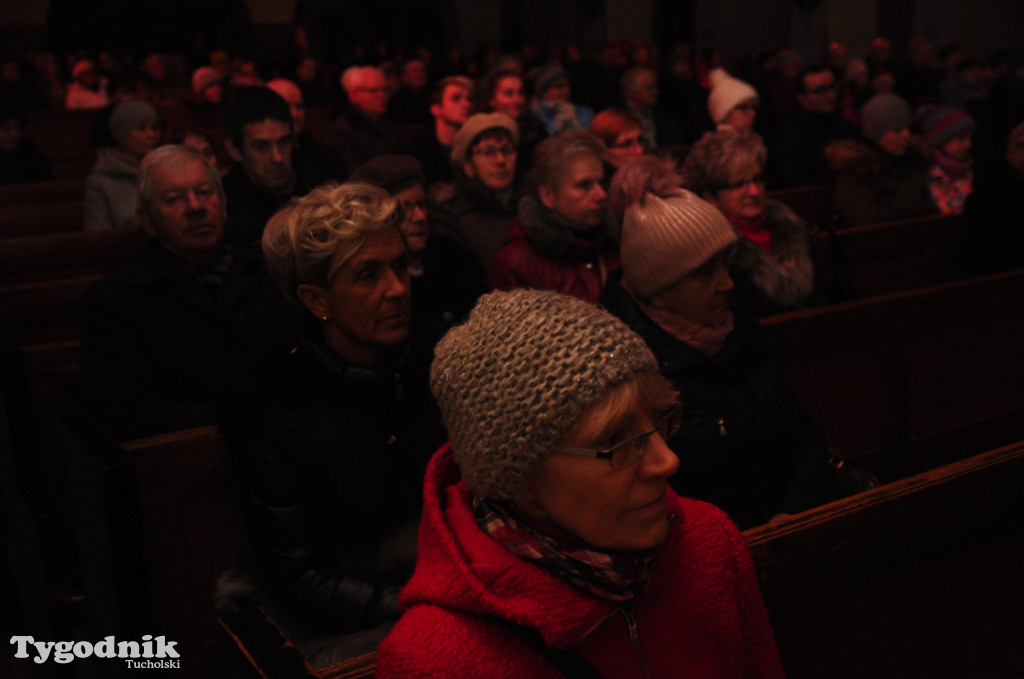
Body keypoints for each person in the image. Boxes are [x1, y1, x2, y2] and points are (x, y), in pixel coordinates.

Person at [376, 288, 785, 678]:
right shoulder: (436, 662)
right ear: (518, 476)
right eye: (614, 441)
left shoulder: (709, 543)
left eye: (659, 421)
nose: (668, 461)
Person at [230, 182, 447, 667]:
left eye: (398, 265)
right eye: (368, 275)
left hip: (438, 588)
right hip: (339, 623)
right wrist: (427, 597)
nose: (396, 288)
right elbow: (301, 581)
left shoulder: (436, 360)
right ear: (316, 299)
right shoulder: (279, 409)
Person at [601, 156, 871, 528]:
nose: (726, 283)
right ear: (657, 291)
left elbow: (803, 433)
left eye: (725, 264)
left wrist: (791, 512)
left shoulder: (734, 327)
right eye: (704, 274)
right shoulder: (627, 371)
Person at [80, 145, 292, 440]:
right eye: (173, 199)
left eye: (204, 192)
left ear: (224, 203)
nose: (195, 207)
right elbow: (125, 409)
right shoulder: (116, 303)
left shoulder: (264, 272)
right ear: (148, 221)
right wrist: (236, 419)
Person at [683, 129, 817, 315]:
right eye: (738, 184)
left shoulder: (789, 227)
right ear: (710, 195)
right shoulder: (713, 252)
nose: (754, 192)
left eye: (758, 179)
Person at [349, 154, 485, 333]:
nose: (420, 217)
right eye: (404, 208)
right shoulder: (377, 283)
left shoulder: (451, 255)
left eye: (421, 204)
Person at [490, 130, 617, 303]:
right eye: (584, 185)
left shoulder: (613, 242)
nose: (601, 195)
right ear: (548, 195)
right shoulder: (516, 262)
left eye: (600, 182)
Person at [221, 86, 317, 246]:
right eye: (261, 146)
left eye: (284, 142)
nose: (278, 157)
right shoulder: (225, 210)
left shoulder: (317, 181)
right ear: (235, 150)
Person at [432, 112, 521, 276]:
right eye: (488, 152)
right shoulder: (452, 216)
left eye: (507, 150)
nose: (501, 160)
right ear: (468, 166)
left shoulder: (531, 204)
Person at [829, 92, 937, 226]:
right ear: (876, 134)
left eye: (908, 128)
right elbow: (870, 220)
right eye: (897, 130)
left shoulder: (918, 160)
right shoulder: (856, 172)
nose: (906, 135)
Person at [769, 63, 857, 188]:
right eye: (820, 91)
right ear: (802, 98)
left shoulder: (844, 126)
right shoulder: (790, 135)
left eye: (833, 87)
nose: (831, 95)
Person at [84, 100, 161, 230]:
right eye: (141, 128)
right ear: (122, 134)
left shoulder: (162, 168)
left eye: (154, 127)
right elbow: (98, 233)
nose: (151, 134)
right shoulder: (101, 181)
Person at [266, 77, 346, 185]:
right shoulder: (261, 159)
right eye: (286, 106)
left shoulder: (324, 157)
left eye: (299, 107)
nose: (295, 114)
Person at [323, 65, 399, 176]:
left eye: (385, 90)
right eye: (374, 90)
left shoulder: (391, 124)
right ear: (354, 95)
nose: (382, 95)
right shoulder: (340, 132)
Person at [916, 104, 975, 215]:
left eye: (970, 138)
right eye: (961, 139)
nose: (968, 144)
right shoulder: (932, 175)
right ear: (941, 141)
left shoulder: (969, 169)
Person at [480, 67, 545, 168]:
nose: (517, 100)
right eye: (509, 93)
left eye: (521, 93)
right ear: (492, 99)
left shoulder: (534, 130)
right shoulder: (481, 132)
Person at [618, 65, 682, 149]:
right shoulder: (616, 119)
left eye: (655, 87)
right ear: (632, 91)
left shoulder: (663, 119)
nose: (656, 92)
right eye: (650, 88)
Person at [529, 63, 595, 136]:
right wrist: (555, 126)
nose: (566, 90)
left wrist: (574, 122)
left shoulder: (584, 113)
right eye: (559, 86)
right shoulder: (534, 117)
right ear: (543, 92)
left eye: (567, 85)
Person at [0, 103, 53, 184]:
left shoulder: (30, 151)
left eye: (18, 128)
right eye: (6, 129)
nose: (15, 135)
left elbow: (48, 185)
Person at [588, 107, 646, 184]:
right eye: (627, 144)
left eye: (640, 141)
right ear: (603, 149)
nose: (639, 150)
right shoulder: (599, 189)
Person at [706, 68, 759, 133]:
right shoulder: (725, 143)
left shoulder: (751, 141)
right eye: (743, 107)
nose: (753, 113)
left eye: (753, 107)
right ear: (724, 115)